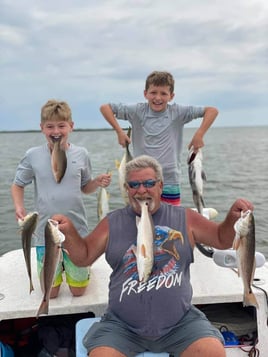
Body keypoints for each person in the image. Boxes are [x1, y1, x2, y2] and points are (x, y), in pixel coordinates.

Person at [52, 155, 253, 357]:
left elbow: (220, 239)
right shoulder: (112, 222)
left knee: (212, 351)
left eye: (149, 183)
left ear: (160, 186)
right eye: (134, 185)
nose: (141, 190)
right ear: (127, 188)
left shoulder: (185, 218)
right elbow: (83, 257)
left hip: (180, 323)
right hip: (122, 326)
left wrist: (233, 218)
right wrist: (68, 232)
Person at [11, 99, 111, 298]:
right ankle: (60, 270)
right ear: (41, 128)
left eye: (61, 125)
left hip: (77, 231)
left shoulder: (81, 154)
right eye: (50, 126)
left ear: (71, 127)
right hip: (44, 232)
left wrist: (97, 182)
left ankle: (80, 269)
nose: (55, 131)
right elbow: (18, 184)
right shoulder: (33, 155)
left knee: (78, 291)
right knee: (51, 292)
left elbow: (85, 187)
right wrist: (19, 207)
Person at [100, 70, 218, 206]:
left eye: (163, 93)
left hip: (169, 179)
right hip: (141, 181)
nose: (158, 98)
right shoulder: (137, 111)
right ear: (145, 94)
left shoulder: (177, 112)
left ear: (171, 96)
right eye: (153, 92)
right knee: (143, 221)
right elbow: (105, 108)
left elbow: (212, 111)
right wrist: (119, 132)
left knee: (170, 222)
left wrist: (199, 135)